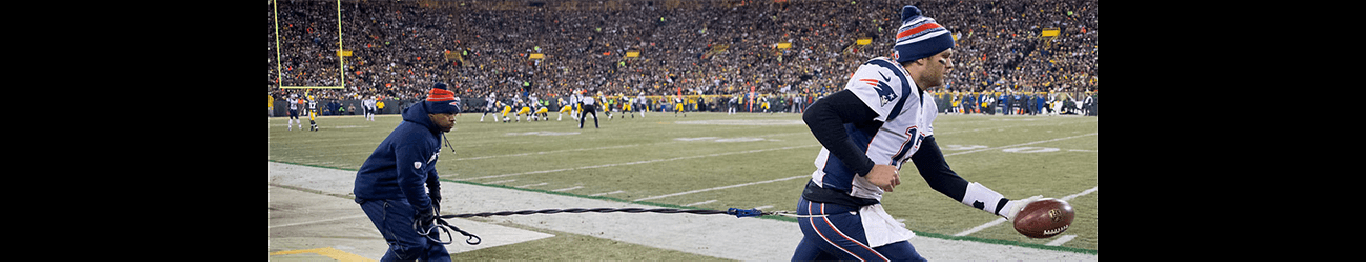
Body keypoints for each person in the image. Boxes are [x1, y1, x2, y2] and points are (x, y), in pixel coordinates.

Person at [791, 6, 1041, 261]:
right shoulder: (893, 79)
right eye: (944, 56)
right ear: (921, 57)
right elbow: (818, 114)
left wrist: (1008, 207)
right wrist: (868, 168)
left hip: (851, 208)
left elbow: (939, 176)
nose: (950, 64)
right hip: (833, 208)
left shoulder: (925, 105)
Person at [354, 82, 460, 262]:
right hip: (379, 192)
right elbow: (410, 181)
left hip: (399, 191)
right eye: (447, 114)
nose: (453, 118)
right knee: (409, 244)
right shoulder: (416, 135)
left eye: (454, 114)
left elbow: (429, 166)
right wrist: (425, 208)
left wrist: (435, 193)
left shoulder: (434, 130)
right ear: (432, 113)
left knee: (430, 237)